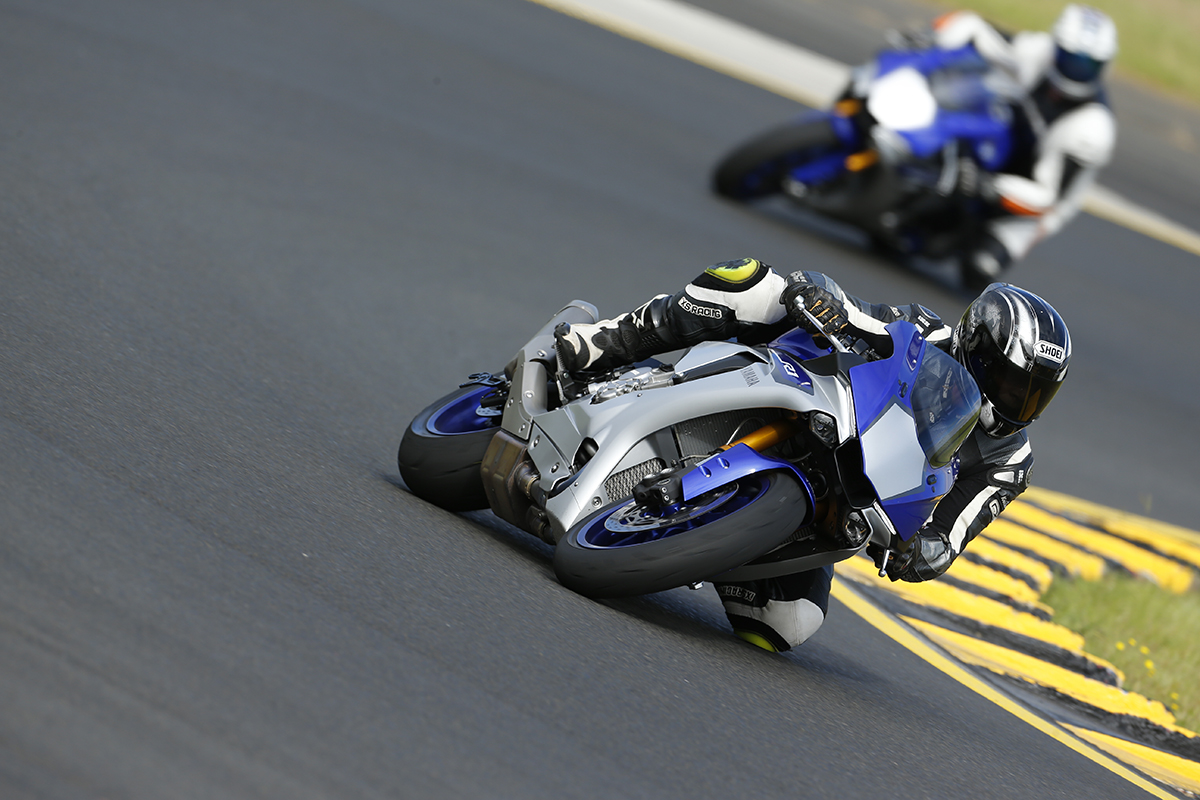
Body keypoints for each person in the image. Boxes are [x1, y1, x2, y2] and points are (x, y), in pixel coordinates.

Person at [555, 258, 1071, 653]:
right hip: (813, 405)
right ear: (975, 347)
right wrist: (817, 295)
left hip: (846, 498)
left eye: (1034, 395)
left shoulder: (1010, 461)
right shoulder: (923, 331)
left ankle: (706, 540)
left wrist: (923, 553)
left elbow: (952, 533)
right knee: (755, 285)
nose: (1017, 404)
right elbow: (859, 315)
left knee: (788, 623)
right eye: (1011, 384)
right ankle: (604, 343)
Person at [926, 5, 1118, 289]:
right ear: (1056, 48)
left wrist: (986, 185)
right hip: (1005, 148)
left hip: (1029, 203)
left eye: (1089, 65)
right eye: (1071, 59)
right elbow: (981, 33)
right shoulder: (1040, 51)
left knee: (979, 269)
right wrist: (938, 38)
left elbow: (1046, 199)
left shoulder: (1093, 129)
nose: (1078, 70)